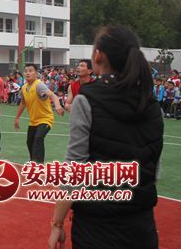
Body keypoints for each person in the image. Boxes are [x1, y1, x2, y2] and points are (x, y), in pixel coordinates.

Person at [48, 26, 163, 249]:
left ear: (98, 56)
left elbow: (75, 169)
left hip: (96, 227)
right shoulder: (151, 104)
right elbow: (154, 171)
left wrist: (57, 223)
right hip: (142, 227)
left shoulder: (87, 100)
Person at [14, 63, 64, 163]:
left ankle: (38, 164)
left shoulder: (39, 85)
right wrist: (17, 118)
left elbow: (53, 96)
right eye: (26, 71)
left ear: (36, 73)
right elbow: (23, 103)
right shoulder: (24, 88)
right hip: (33, 121)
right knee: (30, 142)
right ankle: (33, 161)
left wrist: (58, 105)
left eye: (30, 71)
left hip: (45, 119)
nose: (28, 73)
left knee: (38, 138)